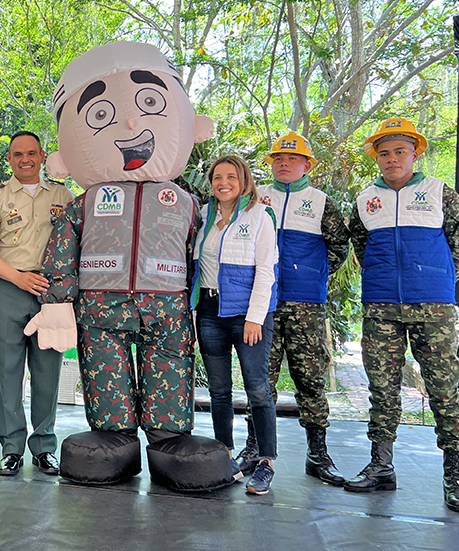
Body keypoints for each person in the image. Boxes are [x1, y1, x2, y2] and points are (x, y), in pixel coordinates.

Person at [28, 41, 219, 487]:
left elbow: (208, 247)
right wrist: (58, 299)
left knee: (169, 366)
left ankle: (169, 436)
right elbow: (62, 248)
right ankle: (113, 436)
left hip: (167, 305)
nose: (131, 122)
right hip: (100, 304)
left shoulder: (189, 202)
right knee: (103, 370)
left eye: (150, 104)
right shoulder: (85, 202)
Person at [346, 118, 459, 513]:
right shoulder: (364, 200)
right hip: (380, 306)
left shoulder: (440, 193)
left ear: (416, 153)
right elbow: (361, 245)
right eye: (384, 152)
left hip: (434, 306)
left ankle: (455, 473)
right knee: (382, 388)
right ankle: (381, 466)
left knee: (445, 391)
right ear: (376, 157)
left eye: (399, 151)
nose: (391, 159)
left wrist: (444, 283)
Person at [237, 131, 349, 485]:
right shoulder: (255, 199)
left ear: (306, 164)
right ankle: (254, 448)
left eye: (292, 159)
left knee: (310, 378)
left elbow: (339, 248)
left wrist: (311, 274)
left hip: (306, 304)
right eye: (278, 159)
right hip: (261, 304)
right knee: (259, 380)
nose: (283, 164)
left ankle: (318, 453)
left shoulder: (320, 202)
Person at [0, 131, 74, 476]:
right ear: (9, 159)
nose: (25, 159)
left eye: (31, 153)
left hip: (51, 291)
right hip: (8, 287)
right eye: (17, 154)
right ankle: (12, 447)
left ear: (43, 156)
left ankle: (44, 447)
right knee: (8, 371)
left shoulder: (64, 195)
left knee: (48, 372)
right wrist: (17, 277)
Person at [191, 155, 279, 495]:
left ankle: (265, 462)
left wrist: (256, 316)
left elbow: (266, 270)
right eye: (217, 177)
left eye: (231, 176)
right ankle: (224, 455)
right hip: (210, 312)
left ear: (243, 181)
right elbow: (196, 267)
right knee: (218, 390)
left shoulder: (260, 215)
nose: (223, 182)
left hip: (248, 315)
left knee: (257, 389)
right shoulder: (204, 216)